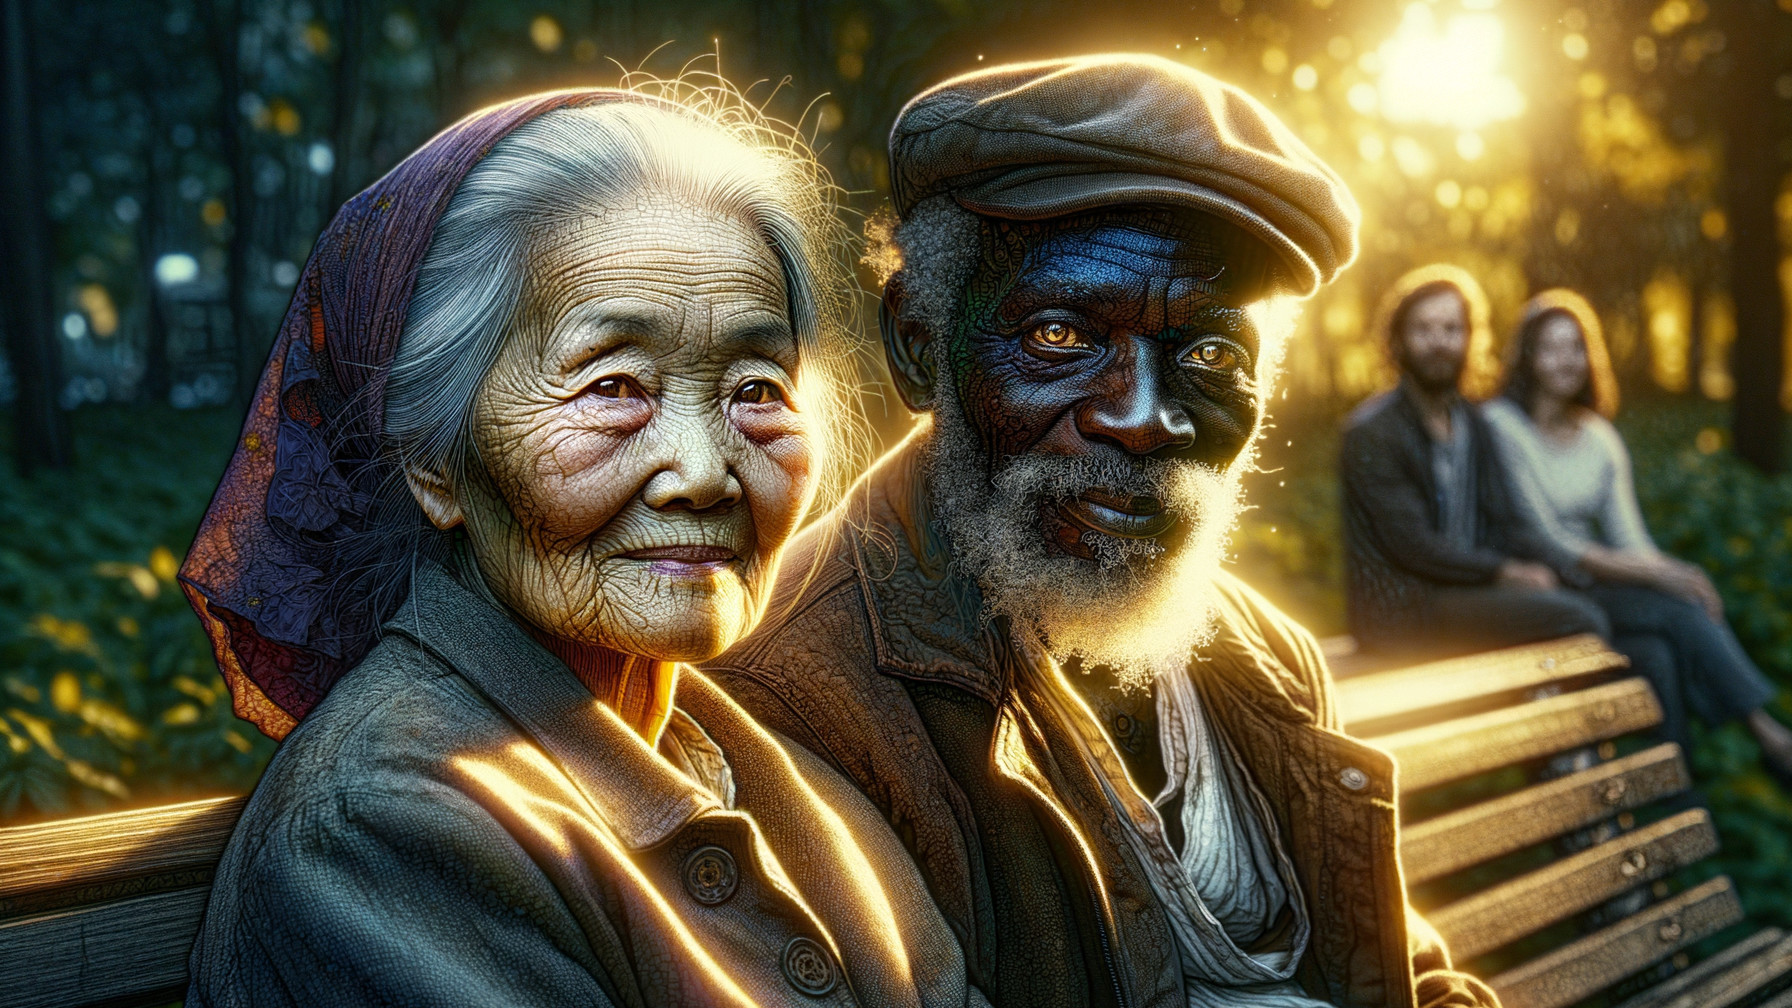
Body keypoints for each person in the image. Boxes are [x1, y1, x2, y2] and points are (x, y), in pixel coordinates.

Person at [708, 55, 1498, 1008]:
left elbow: (1401, 968)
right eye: (1061, 337)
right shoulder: (786, 692)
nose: (1144, 418)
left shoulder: (1264, 655)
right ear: (920, 348)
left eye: (1208, 353)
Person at [178, 85, 982, 1007]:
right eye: (613, 387)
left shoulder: (728, 752)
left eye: (757, 390)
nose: (704, 471)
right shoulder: (385, 831)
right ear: (436, 463)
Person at [1483, 289, 1792, 782]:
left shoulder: (1599, 437)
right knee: (1677, 607)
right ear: (1527, 357)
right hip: (1542, 587)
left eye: (1576, 347)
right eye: (1551, 347)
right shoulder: (1502, 425)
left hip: (1597, 584)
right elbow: (1548, 540)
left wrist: (1678, 574)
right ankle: (1769, 736)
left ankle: (1681, 812)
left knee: (1658, 656)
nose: (1566, 360)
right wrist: (1669, 579)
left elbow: (1632, 541)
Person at [1340, 265, 1609, 658]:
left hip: (1467, 592)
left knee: (1634, 634)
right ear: (1397, 340)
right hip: (1403, 612)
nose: (1438, 342)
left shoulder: (1475, 422)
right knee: (1579, 619)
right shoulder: (1371, 432)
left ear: (1470, 338)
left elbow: (1505, 520)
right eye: (1423, 329)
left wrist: (1570, 569)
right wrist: (1505, 571)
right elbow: (1414, 547)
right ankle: (1552, 716)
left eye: (1451, 330)